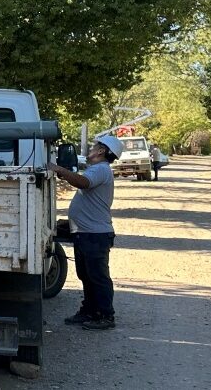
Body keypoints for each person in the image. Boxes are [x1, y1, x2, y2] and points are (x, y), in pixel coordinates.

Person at [48, 135, 124, 331]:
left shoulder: (101, 169)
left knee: (97, 277)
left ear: (102, 151)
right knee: (86, 276)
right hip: (86, 233)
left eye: (95, 146)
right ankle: (89, 311)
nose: (91, 148)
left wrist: (59, 169)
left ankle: (105, 315)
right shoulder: (97, 169)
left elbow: (83, 182)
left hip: (94, 235)